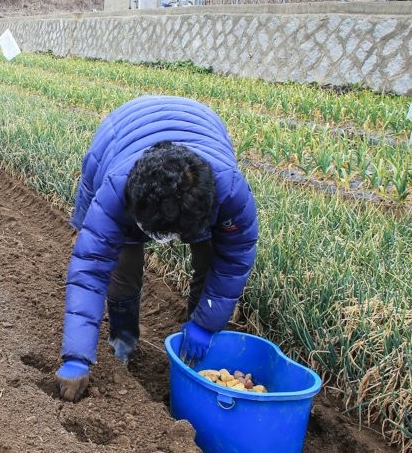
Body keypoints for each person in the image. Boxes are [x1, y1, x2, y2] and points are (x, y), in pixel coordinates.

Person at [55, 95, 259, 402]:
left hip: (201, 122)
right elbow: (91, 269)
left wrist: (207, 322)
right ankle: (122, 341)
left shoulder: (229, 192)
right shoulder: (114, 190)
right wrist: (76, 356)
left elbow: (234, 260)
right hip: (120, 131)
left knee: (211, 254)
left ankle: (200, 345)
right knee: (123, 262)